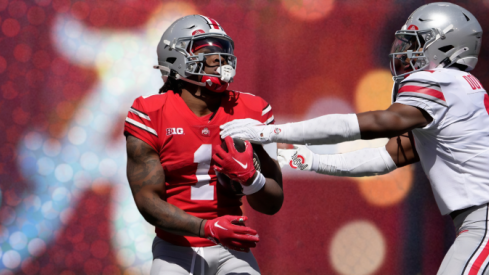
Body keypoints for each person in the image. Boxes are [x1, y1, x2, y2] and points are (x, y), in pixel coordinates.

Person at [220, 3, 489, 274]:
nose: (406, 52)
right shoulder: (459, 93)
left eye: (416, 43)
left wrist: (269, 132)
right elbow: (384, 158)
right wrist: (304, 160)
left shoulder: (441, 81)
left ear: (446, 46)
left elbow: (376, 123)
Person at [124, 15, 283, 275]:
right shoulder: (150, 112)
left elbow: (273, 203)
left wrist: (252, 180)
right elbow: (147, 201)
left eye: (223, 51)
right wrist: (206, 227)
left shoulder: (251, 109)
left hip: (232, 249)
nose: (220, 60)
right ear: (175, 57)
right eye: (208, 51)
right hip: (175, 247)